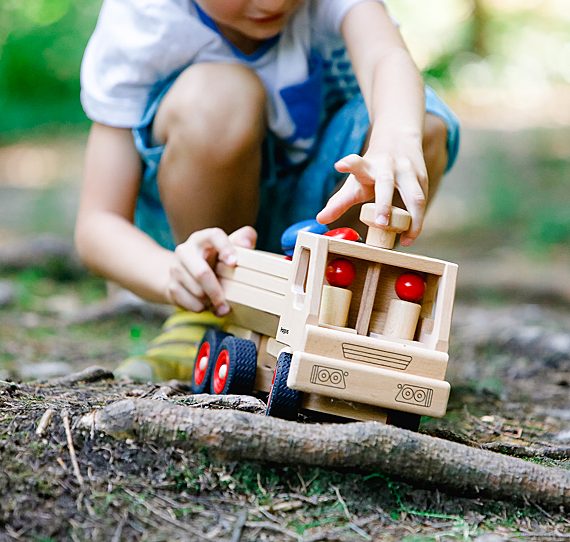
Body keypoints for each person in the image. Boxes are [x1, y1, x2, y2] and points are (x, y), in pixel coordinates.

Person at [75, 0, 460, 381]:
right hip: (199, 228)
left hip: (324, 206)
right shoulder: (141, 21)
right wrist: (172, 274)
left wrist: (394, 139)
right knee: (219, 96)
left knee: (419, 120)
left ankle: (335, 311)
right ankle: (204, 317)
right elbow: (98, 223)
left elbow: (385, 56)